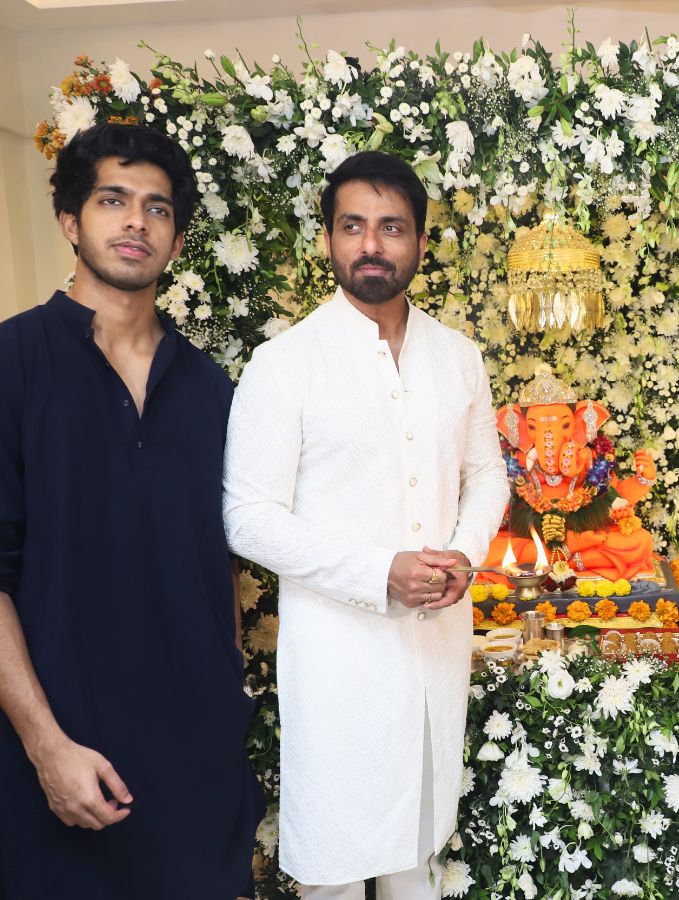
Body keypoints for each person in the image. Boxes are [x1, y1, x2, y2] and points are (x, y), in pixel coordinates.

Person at [223, 151, 509, 899]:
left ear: (420, 242)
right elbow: (247, 517)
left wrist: (463, 555)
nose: (372, 244)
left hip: (435, 650)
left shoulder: (458, 358)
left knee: (418, 861)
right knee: (338, 869)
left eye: (392, 227)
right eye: (353, 226)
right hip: (338, 662)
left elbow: (487, 475)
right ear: (327, 238)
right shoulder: (284, 364)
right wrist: (379, 571)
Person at [0, 124, 261, 899]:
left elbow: (221, 563)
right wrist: (47, 747)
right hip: (60, 766)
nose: (136, 221)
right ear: (69, 221)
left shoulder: (211, 390)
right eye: (113, 200)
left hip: (196, 771)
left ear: (176, 239)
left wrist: (229, 704)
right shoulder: (13, 363)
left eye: (157, 207)